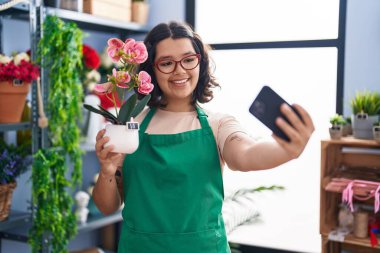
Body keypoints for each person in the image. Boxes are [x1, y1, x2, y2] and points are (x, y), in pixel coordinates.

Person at [92, 21, 315, 253]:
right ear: (152, 70)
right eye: (167, 63)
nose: (180, 70)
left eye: (189, 59)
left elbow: (246, 155)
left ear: (200, 62)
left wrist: (286, 150)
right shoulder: (130, 125)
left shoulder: (218, 124)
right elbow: (107, 207)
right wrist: (107, 171)